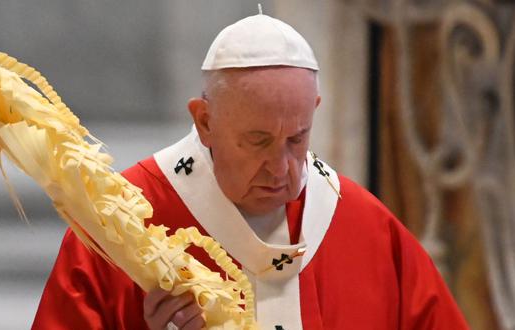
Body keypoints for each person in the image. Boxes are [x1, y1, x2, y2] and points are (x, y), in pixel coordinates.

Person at [32, 13, 469, 330]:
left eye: (297, 138)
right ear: (205, 121)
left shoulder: (363, 226)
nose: (281, 170)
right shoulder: (120, 221)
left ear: (313, 112)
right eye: (258, 141)